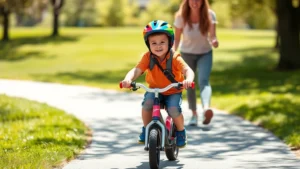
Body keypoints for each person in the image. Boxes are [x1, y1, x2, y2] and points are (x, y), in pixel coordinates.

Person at [121, 20, 195, 148]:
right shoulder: (147, 57)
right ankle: (146, 128)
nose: (158, 46)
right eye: (153, 43)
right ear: (148, 44)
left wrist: (188, 79)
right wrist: (128, 79)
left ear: (170, 42)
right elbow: (137, 70)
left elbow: (188, 70)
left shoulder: (175, 57)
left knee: (173, 109)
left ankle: (181, 131)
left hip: (173, 91)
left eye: (162, 42)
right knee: (146, 105)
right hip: (154, 90)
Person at [173, 0, 219, 126]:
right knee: (189, 83)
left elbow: (213, 36)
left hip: (205, 53)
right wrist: (170, 53)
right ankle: (194, 114)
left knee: (204, 80)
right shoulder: (181, 16)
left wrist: (214, 41)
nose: (195, 2)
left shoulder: (210, 15)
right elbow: (176, 39)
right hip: (187, 53)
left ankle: (206, 109)